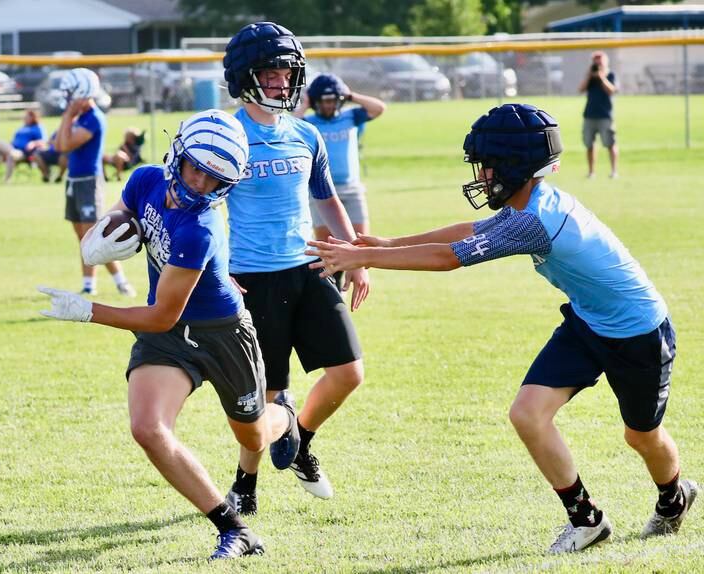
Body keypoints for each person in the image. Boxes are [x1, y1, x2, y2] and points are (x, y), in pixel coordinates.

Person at [306, 103, 697, 554]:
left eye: (487, 166)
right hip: (590, 322)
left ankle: (673, 498)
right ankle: (586, 520)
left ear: (514, 166)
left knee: (640, 437)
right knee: (527, 413)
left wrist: (365, 258)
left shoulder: (534, 220)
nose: (482, 175)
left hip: (638, 333)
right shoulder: (528, 202)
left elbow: (450, 257)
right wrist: (389, 242)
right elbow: (470, 229)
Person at [38, 109, 301, 560]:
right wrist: (117, 227)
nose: (200, 184)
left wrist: (87, 311)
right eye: (195, 168)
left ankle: (285, 417)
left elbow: (160, 315)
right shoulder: (144, 179)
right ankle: (233, 529)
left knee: (255, 437)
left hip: (220, 333)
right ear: (176, 154)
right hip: (170, 336)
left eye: (215, 179)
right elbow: (126, 210)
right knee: (148, 428)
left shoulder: (199, 229)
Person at [221, 21, 370, 514]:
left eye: (288, 72)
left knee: (349, 372)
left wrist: (357, 256)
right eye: (271, 72)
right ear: (245, 76)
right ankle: (245, 484)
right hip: (254, 278)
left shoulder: (306, 133)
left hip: (311, 268)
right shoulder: (225, 135)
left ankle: (300, 438)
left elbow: (327, 199)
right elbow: (197, 207)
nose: (283, 82)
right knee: (266, 394)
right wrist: (217, 270)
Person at [54, 68, 135, 297]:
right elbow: (58, 145)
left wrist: (68, 117)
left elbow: (64, 145)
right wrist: (69, 117)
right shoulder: (78, 117)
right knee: (82, 238)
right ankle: (93, 284)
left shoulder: (93, 118)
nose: (68, 99)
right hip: (74, 180)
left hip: (89, 182)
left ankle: (116, 282)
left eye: (71, 93)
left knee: (93, 238)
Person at [298, 74, 385, 242]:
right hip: (320, 190)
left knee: (361, 242)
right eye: (324, 101)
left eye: (332, 100)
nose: (329, 105)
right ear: (316, 102)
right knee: (327, 247)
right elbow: (289, 125)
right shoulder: (308, 123)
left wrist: (351, 95)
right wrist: (305, 103)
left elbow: (379, 108)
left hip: (351, 188)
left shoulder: (351, 116)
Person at [579, 51, 618, 179]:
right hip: (589, 114)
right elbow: (581, 89)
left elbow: (612, 90)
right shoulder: (590, 76)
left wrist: (601, 77)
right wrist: (590, 76)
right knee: (589, 145)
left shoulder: (610, 74)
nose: (597, 62)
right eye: (595, 60)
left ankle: (614, 171)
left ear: (605, 61)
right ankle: (591, 172)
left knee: (610, 144)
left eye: (600, 59)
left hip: (605, 115)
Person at [0, 109, 45, 182]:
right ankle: (8, 153)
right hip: (13, 149)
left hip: (24, 153)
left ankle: (7, 179)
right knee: (0, 143)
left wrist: (33, 143)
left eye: (26, 117)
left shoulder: (37, 127)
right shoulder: (22, 128)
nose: (24, 118)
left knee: (11, 156)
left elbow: (43, 141)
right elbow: (15, 140)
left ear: (33, 117)